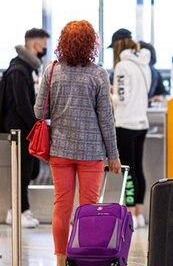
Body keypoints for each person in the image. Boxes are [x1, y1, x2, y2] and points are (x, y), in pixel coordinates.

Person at [33, 20, 121, 266]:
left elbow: (39, 112)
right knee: (89, 208)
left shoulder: (52, 71)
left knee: (61, 206)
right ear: (91, 44)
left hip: (60, 150)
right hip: (91, 152)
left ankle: (61, 260)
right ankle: (85, 258)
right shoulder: (98, 74)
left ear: (64, 42)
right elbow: (106, 119)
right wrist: (113, 155)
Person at [1, 28, 50, 228]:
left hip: (21, 128)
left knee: (26, 170)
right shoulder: (20, 71)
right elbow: (22, 105)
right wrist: (37, 126)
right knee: (22, 170)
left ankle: (22, 209)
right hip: (19, 129)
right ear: (34, 44)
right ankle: (18, 211)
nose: (45, 49)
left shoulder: (23, 67)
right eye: (44, 45)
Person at [110, 28, 151, 229]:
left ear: (117, 46)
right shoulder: (144, 64)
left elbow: (122, 98)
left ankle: (131, 213)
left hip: (125, 123)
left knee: (128, 169)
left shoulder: (122, 66)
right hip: (142, 122)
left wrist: (109, 95)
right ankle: (140, 213)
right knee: (138, 168)